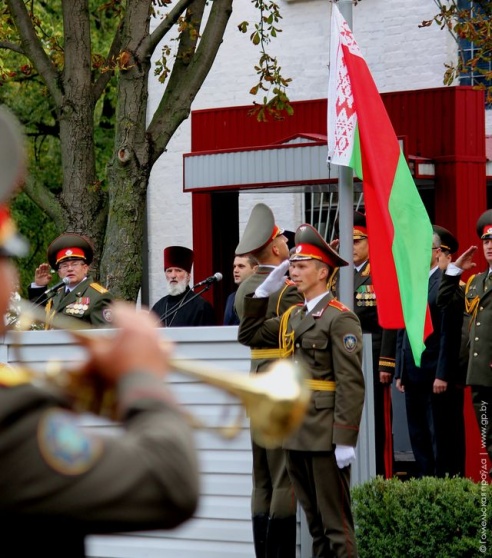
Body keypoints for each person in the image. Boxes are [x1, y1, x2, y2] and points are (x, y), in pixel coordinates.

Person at [0, 106, 200, 557]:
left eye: (74, 262)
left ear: (86, 265)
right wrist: (144, 379)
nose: (67, 267)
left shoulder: (99, 297)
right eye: (4, 262)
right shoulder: (11, 415)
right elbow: (170, 483)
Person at [238, 223, 365, 558]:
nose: (293, 270)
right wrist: (262, 295)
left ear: (323, 272)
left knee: (336, 528)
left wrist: (345, 438)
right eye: (292, 264)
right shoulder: (293, 316)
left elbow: (351, 383)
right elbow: (249, 335)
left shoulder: (340, 319)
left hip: (324, 434)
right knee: (315, 527)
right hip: (295, 431)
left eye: (301, 265)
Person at [235, 203, 303, 558]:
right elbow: (296, 327)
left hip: (256, 382)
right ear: (276, 248)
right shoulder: (286, 289)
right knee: (282, 477)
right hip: (279, 381)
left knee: (260, 476)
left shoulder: (245, 286)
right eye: (285, 243)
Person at [332, 212, 396, 478]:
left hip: (369, 359)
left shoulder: (380, 271)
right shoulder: (335, 274)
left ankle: (378, 477)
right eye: (347, 241)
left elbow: (389, 319)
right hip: (338, 359)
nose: (352, 247)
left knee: (374, 423)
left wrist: (386, 361)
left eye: (357, 240)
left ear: (370, 242)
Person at [395, 229, 456, 478]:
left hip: (433, 373)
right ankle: (423, 483)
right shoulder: (413, 281)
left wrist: (442, 374)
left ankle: (439, 485)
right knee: (416, 435)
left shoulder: (442, 282)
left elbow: (446, 333)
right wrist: (399, 370)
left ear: (437, 252)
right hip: (412, 372)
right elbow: (403, 329)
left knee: (436, 437)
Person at [437, 209, 492, 478]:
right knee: (489, 443)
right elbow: (443, 300)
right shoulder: (475, 282)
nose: (490, 245)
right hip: (479, 376)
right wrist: (454, 269)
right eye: (486, 241)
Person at [28, 233, 114, 327]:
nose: (69, 269)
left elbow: (106, 336)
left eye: (74, 264)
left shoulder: (98, 296)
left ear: (85, 268)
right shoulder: (56, 295)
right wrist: (39, 287)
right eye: (64, 266)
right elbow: (37, 318)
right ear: (59, 272)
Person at [151, 245, 216, 327]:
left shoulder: (201, 307)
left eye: (178, 270)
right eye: (169, 271)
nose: (173, 275)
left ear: (188, 276)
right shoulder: (158, 307)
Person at [223, 254, 258, 325]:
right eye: (234, 266)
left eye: (241, 266)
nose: (235, 270)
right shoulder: (231, 298)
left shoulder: (261, 296)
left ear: (255, 270)